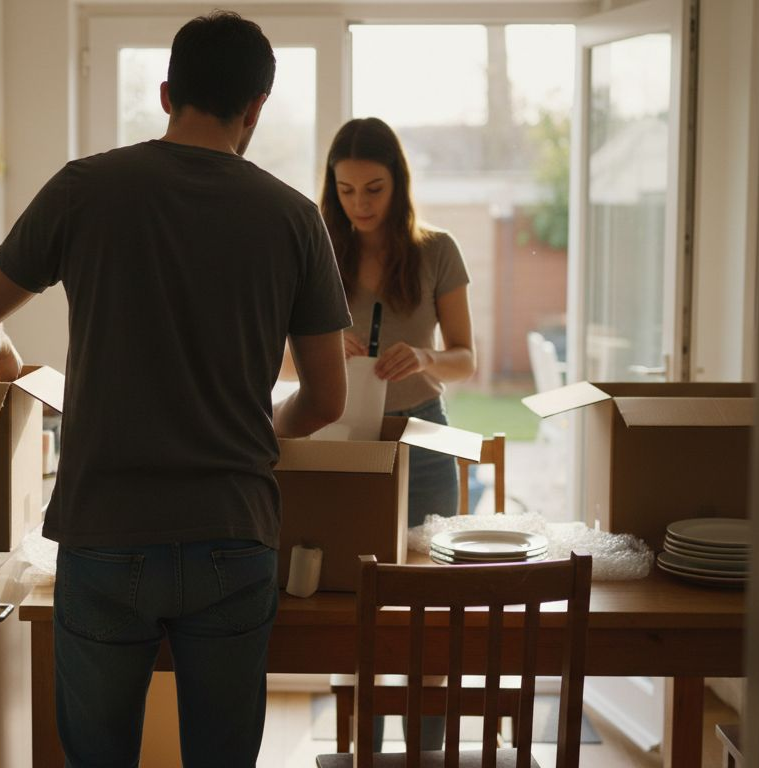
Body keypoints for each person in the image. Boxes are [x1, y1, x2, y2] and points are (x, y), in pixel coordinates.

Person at [0, 11, 349, 767]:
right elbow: (325, 401)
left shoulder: (85, 189)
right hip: (234, 532)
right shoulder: (294, 219)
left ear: (167, 94)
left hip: (106, 533)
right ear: (255, 108)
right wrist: (259, 428)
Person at [321, 116, 477, 752]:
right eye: (347, 189)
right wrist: (328, 347)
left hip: (426, 443)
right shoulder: (320, 250)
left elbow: (469, 357)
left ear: (399, 184)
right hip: (348, 444)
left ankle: (427, 756)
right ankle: (369, 756)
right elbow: (274, 359)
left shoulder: (437, 249)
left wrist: (426, 357)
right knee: (360, 613)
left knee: (432, 621)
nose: (360, 204)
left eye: (374, 189)